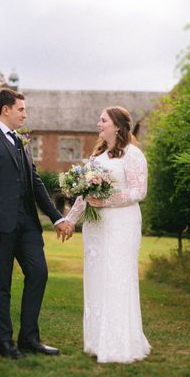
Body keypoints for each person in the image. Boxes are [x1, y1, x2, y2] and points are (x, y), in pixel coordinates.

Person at [0, 88, 75, 359]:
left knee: (39, 273)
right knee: (2, 282)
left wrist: (58, 217)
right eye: (21, 110)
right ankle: (4, 343)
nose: (25, 115)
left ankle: (29, 338)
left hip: (28, 224)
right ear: (6, 109)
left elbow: (36, 183)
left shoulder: (22, 142)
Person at [62, 106, 152, 363]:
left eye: (103, 120)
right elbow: (84, 195)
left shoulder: (133, 155)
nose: (98, 124)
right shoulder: (97, 156)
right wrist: (70, 220)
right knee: (97, 278)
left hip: (121, 224)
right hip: (96, 227)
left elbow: (139, 191)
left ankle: (119, 344)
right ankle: (96, 341)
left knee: (117, 277)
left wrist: (108, 201)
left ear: (118, 126)